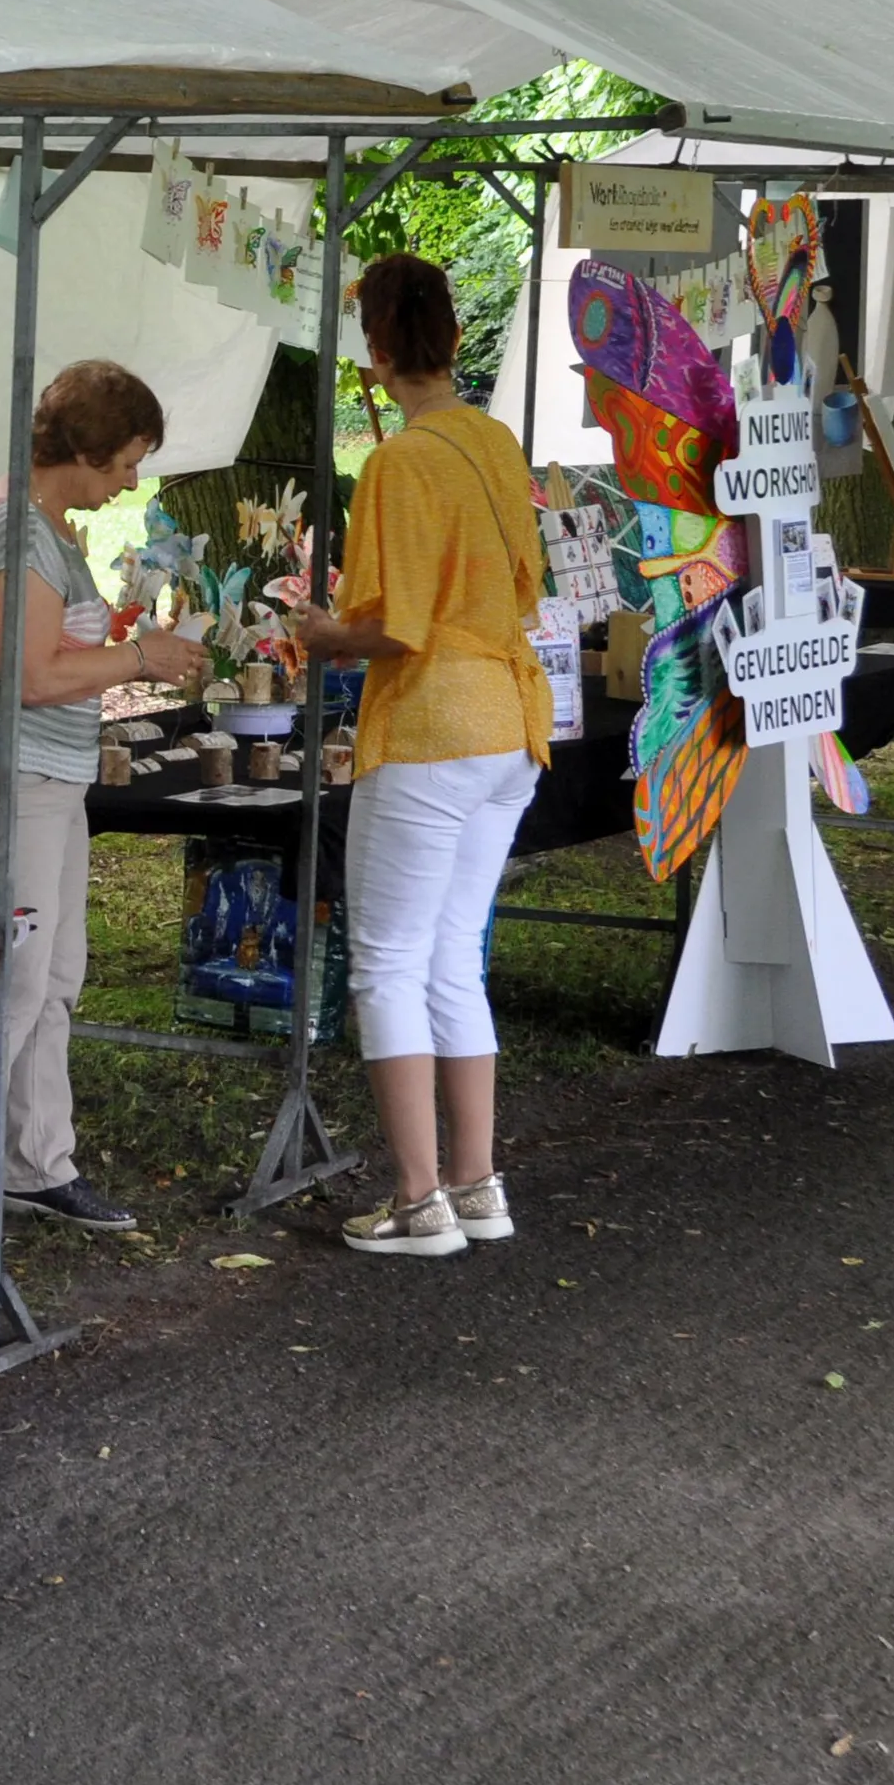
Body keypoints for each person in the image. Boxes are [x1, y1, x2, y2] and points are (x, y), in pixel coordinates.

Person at [291, 253, 550, 1259]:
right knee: (452, 955)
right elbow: (516, 587)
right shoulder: (492, 438)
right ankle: (475, 1182)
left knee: (390, 961)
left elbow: (397, 626)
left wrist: (323, 635)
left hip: (437, 723)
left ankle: (416, 1198)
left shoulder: (401, 461)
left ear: (381, 349)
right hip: (507, 724)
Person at [0, 360, 210, 1239]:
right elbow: (30, 673)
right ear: (81, 449)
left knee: (55, 977)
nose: (130, 481)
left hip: (47, 778)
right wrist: (140, 659)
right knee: (12, 978)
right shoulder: (17, 528)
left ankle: (36, 1161)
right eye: (124, 461)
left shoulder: (46, 525)